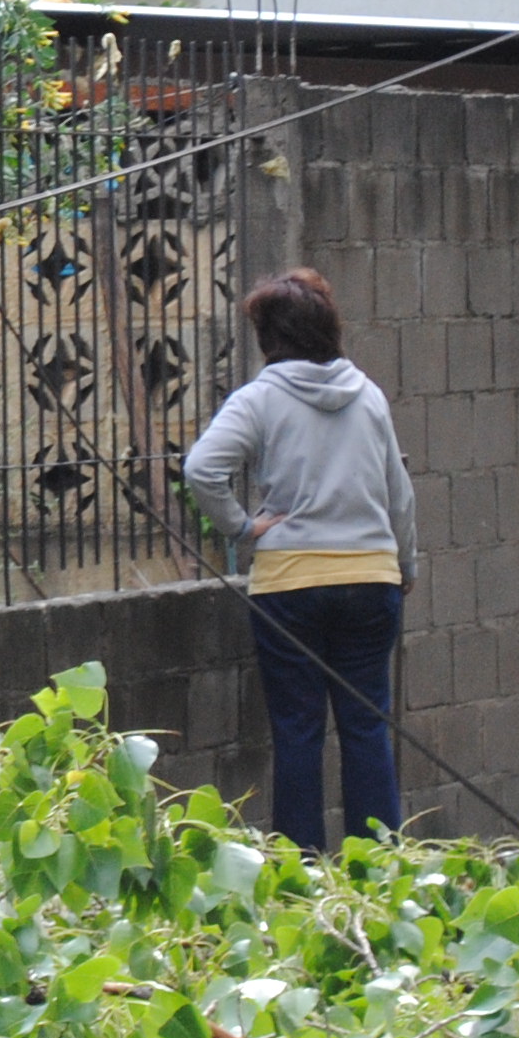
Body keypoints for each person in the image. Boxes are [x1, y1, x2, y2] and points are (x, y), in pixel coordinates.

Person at [185, 268, 419, 850]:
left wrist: (242, 527)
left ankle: (301, 877)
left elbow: (200, 470)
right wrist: (404, 566)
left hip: (289, 587)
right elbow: (399, 494)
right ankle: (381, 871)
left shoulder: (259, 399)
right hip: (372, 580)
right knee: (367, 726)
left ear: (272, 336)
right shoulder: (368, 395)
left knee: (298, 734)